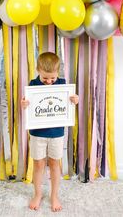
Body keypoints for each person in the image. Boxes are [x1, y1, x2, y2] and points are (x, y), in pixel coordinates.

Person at [21, 52, 79, 212]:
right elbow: (28, 105)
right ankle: (38, 194)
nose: (49, 81)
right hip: (37, 134)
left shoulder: (63, 84)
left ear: (58, 72)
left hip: (56, 133)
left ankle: (54, 195)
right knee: (38, 164)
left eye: (52, 78)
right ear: (38, 69)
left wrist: (75, 100)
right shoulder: (33, 85)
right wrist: (24, 103)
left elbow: (69, 102)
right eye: (45, 78)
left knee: (54, 164)